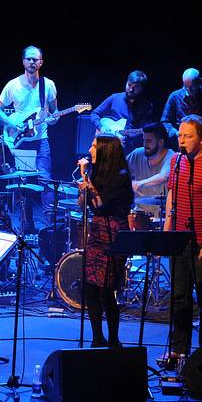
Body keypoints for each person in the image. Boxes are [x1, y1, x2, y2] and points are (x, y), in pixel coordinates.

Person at [162, 115, 202, 368]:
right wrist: (167, 231)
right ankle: (179, 351)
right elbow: (171, 196)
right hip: (179, 240)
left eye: (187, 136)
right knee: (179, 297)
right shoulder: (176, 161)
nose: (181, 140)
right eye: (180, 135)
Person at [77, 134, 134, 348]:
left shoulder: (120, 177)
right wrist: (84, 184)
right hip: (97, 233)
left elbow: (101, 203)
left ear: (106, 151)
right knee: (90, 287)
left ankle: (113, 340)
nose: (90, 150)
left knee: (106, 289)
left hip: (114, 235)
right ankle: (97, 338)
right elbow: (84, 205)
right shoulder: (96, 173)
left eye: (94, 146)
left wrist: (88, 184)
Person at [0, 46, 58, 230]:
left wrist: (54, 119)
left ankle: (49, 226)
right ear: (23, 61)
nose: (31, 62)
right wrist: (11, 124)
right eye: (28, 59)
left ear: (41, 63)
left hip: (41, 139)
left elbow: (55, 113)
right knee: (23, 183)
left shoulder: (49, 85)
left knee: (45, 180)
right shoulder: (12, 85)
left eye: (35, 59)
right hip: (20, 142)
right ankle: (26, 223)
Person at [90, 70, 153, 153]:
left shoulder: (146, 106)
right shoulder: (114, 98)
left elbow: (144, 131)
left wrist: (126, 137)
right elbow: (94, 114)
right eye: (129, 85)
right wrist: (101, 127)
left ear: (141, 89)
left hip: (130, 148)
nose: (131, 89)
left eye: (136, 87)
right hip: (108, 146)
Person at [161, 68, 202, 152]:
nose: (188, 90)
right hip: (182, 145)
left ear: (200, 82)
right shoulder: (175, 96)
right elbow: (165, 122)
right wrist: (177, 133)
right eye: (186, 86)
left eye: (192, 87)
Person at [126, 122, 175, 217]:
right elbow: (119, 168)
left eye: (148, 141)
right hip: (139, 215)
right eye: (144, 140)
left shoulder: (171, 156)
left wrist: (140, 183)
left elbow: (164, 176)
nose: (145, 144)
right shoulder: (137, 154)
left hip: (162, 217)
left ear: (161, 142)